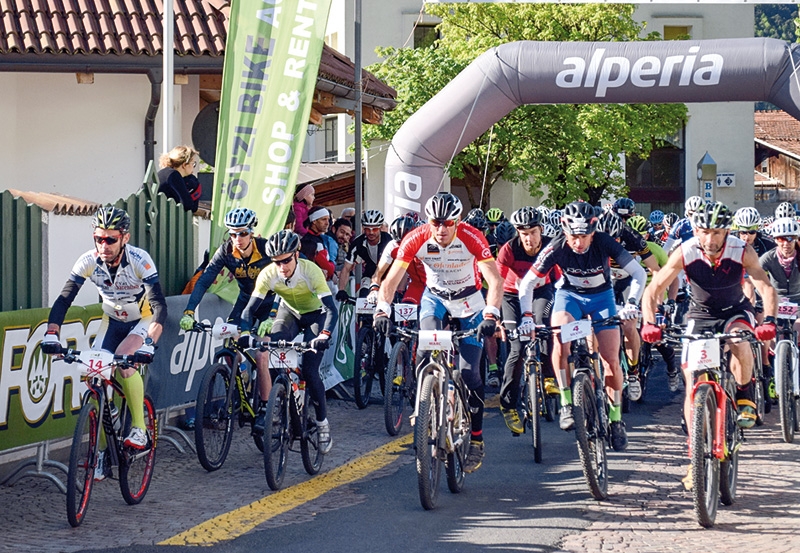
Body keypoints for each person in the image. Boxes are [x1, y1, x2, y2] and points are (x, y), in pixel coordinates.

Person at [374, 192, 503, 473]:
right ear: (428, 221)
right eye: (436, 222)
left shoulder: (472, 236)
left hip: (469, 302)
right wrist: (382, 309)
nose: (441, 229)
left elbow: (495, 280)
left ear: (457, 221)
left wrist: (491, 314)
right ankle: (426, 407)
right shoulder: (417, 237)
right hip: (436, 299)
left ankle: (477, 439)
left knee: (470, 374)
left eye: (448, 223)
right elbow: (391, 280)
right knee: (424, 348)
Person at [40, 207, 166, 480]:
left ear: (125, 238)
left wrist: (149, 344)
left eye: (110, 239)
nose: (103, 245)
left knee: (124, 360)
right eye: (98, 238)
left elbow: (159, 306)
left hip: (141, 320)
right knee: (94, 374)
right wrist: (52, 333)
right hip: (111, 320)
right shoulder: (88, 260)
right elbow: (64, 299)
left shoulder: (139, 260)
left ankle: (139, 428)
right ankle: (100, 452)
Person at [641, 202, 777, 454]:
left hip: (734, 310)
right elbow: (653, 289)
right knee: (692, 376)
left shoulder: (742, 250)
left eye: (716, 231)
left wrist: (769, 320)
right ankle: (695, 451)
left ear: (726, 231)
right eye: (703, 231)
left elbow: (766, 287)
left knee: (738, 339)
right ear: (695, 230)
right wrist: (649, 323)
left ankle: (744, 395)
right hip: (700, 314)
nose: (709, 238)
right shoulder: (685, 251)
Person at [518, 201, 647, 451]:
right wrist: (526, 316)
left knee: (610, 359)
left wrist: (632, 303)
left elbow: (639, 274)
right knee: (559, 338)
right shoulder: (556, 245)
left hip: (602, 298)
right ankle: (567, 402)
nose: (578, 243)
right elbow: (527, 283)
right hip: (570, 297)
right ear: (565, 232)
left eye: (584, 236)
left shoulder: (604, 242)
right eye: (573, 237)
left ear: (592, 231)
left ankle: (616, 419)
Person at [239, 230, 338, 454]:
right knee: (272, 355)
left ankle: (322, 423)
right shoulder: (268, 274)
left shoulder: (310, 271)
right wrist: (245, 333)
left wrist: (324, 336)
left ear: (296, 254)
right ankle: (282, 403)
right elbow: (249, 310)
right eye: (276, 262)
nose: (282, 267)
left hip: (316, 315)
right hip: (289, 313)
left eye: (286, 260)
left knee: (310, 370)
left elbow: (331, 310)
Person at [179, 207, 275, 421]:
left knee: (261, 355)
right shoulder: (225, 251)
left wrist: (271, 316)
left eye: (242, 233)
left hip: (270, 304)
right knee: (231, 347)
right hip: (244, 303)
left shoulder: (266, 248)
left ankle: (265, 410)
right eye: (232, 234)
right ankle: (242, 379)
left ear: (251, 232)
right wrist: (189, 311)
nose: (237, 239)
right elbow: (204, 280)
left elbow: (286, 278)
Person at [496, 207, 559, 435]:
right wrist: (494, 316)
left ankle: (549, 375)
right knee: (517, 349)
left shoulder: (552, 245)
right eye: (523, 233)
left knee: (544, 324)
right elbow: (496, 282)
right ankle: (509, 406)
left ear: (541, 229)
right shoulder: (508, 250)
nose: (528, 238)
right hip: (511, 295)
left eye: (532, 232)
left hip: (542, 292)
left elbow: (562, 280)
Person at [335, 210, 392, 298]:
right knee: (363, 296)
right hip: (370, 274)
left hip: (388, 273)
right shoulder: (357, 243)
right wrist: (341, 290)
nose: (371, 232)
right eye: (367, 229)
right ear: (363, 228)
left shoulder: (388, 240)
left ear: (380, 228)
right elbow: (346, 268)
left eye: (375, 229)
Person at [157, 146, 201, 212]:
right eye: (193, 163)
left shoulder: (165, 172)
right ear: (184, 165)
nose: (193, 167)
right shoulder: (174, 175)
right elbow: (188, 205)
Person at [300, 206, 336, 281]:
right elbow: (328, 269)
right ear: (314, 221)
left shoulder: (319, 238)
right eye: (323, 219)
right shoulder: (309, 242)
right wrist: (332, 265)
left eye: (328, 219)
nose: (327, 223)